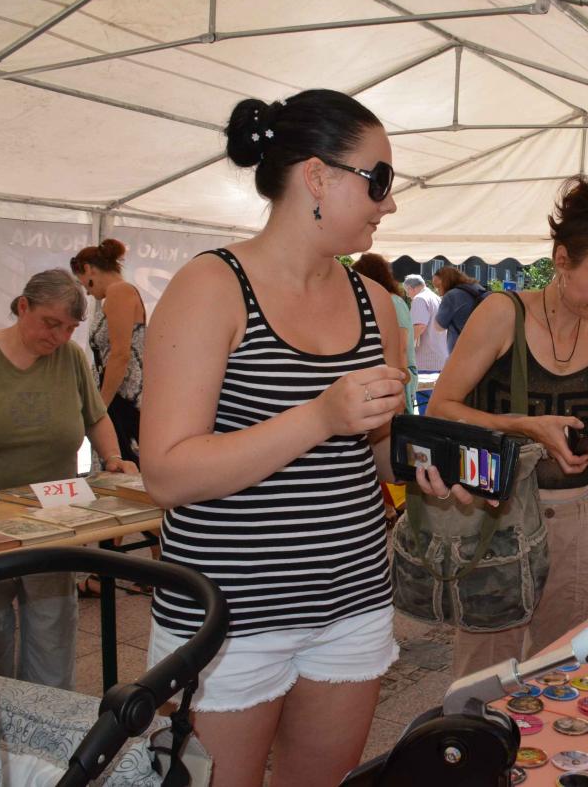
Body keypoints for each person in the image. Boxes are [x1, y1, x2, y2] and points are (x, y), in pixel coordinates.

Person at [139, 89, 423, 786]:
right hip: (227, 615)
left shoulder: (373, 301)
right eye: (378, 179)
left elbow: (381, 449)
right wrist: (319, 416)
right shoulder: (212, 285)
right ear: (317, 177)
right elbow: (168, 473)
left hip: (351, 600)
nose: (389, 204)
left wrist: (435, 462)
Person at [427, 177, 588, 678]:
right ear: (562, 259)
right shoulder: (500, 314)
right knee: (486, 673)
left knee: (564, 665)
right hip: (499, 516)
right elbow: (440, 409)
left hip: (575, 517)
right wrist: (525, 426)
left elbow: (587, 445)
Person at [0, 269, 136, 690]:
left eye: (70, 329)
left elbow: (95, 415)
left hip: (54, 520)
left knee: (53, 627)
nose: (59, 337)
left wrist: (113, 457)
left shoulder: (69, 359)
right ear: (22, 307)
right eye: (51, 324)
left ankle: (50, 721)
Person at [70, 238, 147, 465]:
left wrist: (100, 405)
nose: (86, 290)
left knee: (120, 463)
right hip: (118, 393)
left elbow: (120, 354)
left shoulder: (119, 292)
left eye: (85, 283)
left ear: (88, 268)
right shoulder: (118, 293)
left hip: (121, 396)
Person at [354, 252, 418, 414]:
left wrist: (399, 386)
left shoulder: (391, 301)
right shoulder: (384, 300)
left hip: (399, 376)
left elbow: (401, 348)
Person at [402, 273, 447, 412]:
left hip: (425, 359)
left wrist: (405, 347)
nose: (408, 296)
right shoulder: (436, 298)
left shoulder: (419, 299)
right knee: (436, 405)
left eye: (407, 292)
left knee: (425, 407)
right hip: (439, 357)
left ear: (411, 288)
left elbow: (419, 326)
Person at [433, 265, 490, 352]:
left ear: (446, 281)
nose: (439, 292)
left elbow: (439, 327)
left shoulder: (452, 295)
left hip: (462, 351)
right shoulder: (478, 288)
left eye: (439, 287)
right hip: (484, 345)